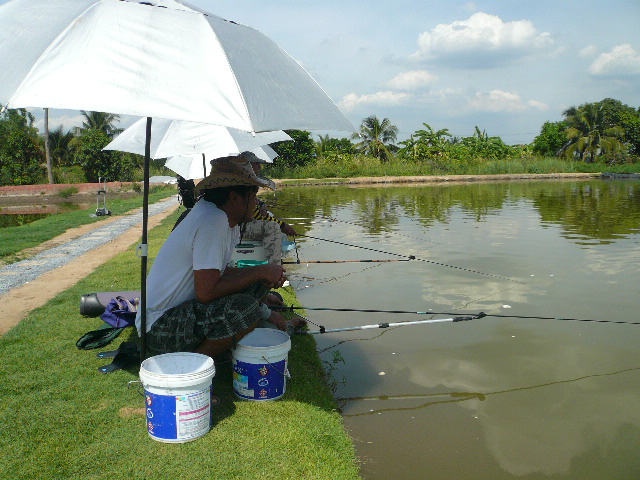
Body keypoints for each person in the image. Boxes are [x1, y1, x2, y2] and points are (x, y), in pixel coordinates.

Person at [135, 155, 303, 358]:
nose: (256, 203)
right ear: (234, 197)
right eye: (253, 195)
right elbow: (206, 292)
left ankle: (253, 329)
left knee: (257, 282)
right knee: (244, 309)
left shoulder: (223, 217)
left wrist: (263, 278)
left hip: (177, 315)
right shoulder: (212, 221)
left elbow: (220, 273)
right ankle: (194, 364)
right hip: (158, 330)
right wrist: (261, 271)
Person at [233, 156, 297, 264]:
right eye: (256, 163)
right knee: (272, 227)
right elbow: (253, 215)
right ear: (247, 164)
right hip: (236, 226)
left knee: (275, 226)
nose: (259, 167)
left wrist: (261, 204)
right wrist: (283, 225)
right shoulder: (242, 184)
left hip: (239, 223)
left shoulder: (243, 183)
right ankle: (274, 268)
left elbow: (254, 208)